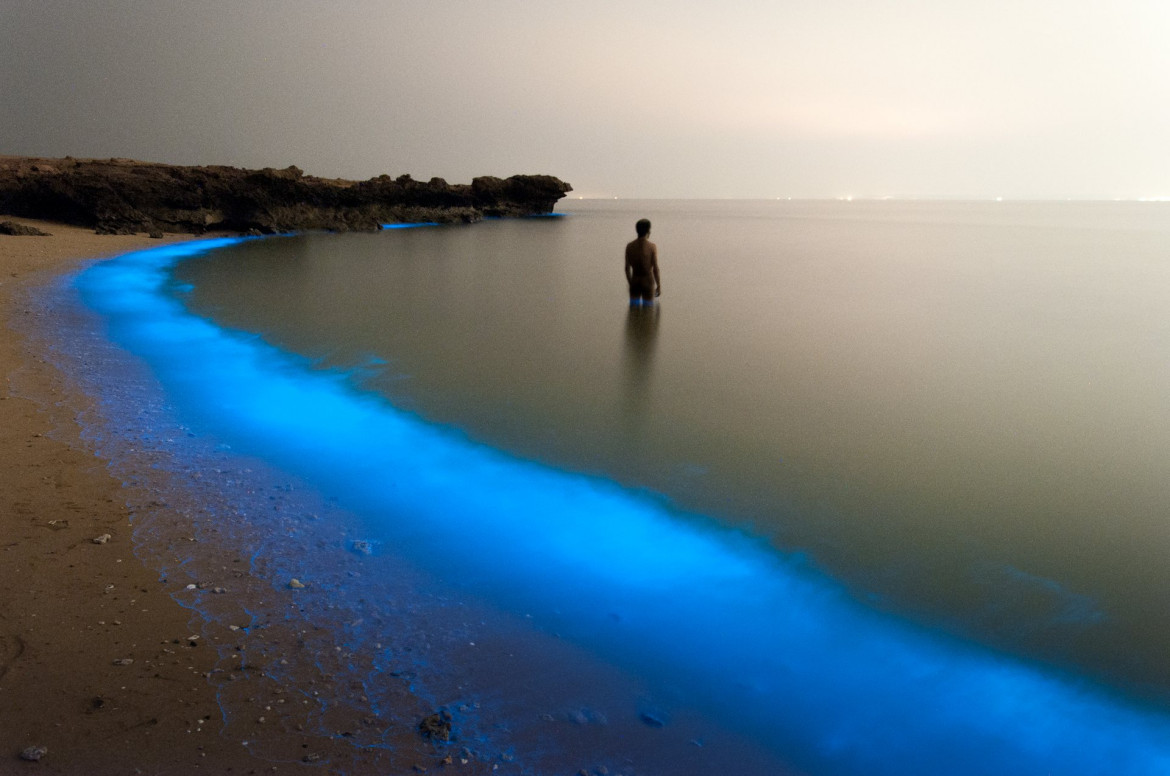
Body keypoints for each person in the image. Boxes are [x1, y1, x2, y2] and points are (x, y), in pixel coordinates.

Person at [624, 218, 660, 305]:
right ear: (648, 231)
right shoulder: (652, 247)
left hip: (635, 281)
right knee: (648, 312)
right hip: (647, 282)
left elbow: (627, 269)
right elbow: (655, 268)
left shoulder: (629, 246)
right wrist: (659, 285)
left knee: (633, 309)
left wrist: (630, 283)